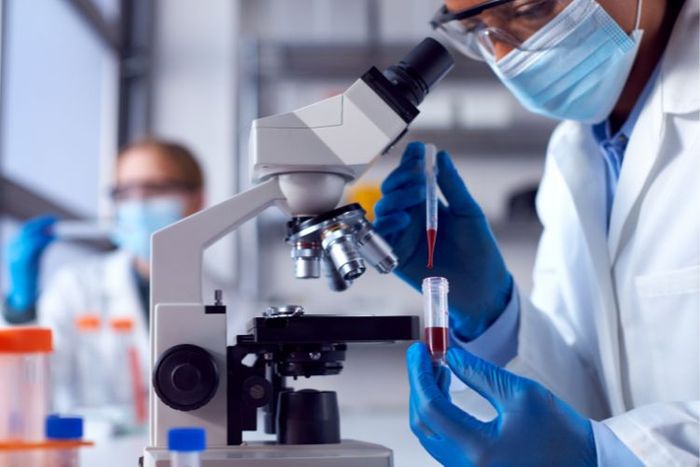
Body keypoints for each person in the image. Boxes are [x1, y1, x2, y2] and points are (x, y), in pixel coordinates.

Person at [374, 0, 698, 465]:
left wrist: (604, 454)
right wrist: (492, 318)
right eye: (475, 29)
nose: (504, 57)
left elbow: (601, 444)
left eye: (530, 9)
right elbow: (587, 398)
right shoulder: (578, 149)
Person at [3, 138, 205, 411]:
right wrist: (21, 310)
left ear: (197, 199)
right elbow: (29, 389)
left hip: (189, 449)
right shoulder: (76, 286)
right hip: (97, 451)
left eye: (156, 188)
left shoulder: (233, 304)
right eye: (125, 192)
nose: (139, 204)